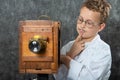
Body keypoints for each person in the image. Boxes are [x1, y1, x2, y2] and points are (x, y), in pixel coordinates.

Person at [54, 0, 112, 80]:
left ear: (100, 27)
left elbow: (87, 77)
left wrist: (65, 59)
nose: (82, 25)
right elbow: (59, 77)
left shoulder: (103, 50)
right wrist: (70, 54)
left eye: (89, 23)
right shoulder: (69, 46)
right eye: (80, 20)